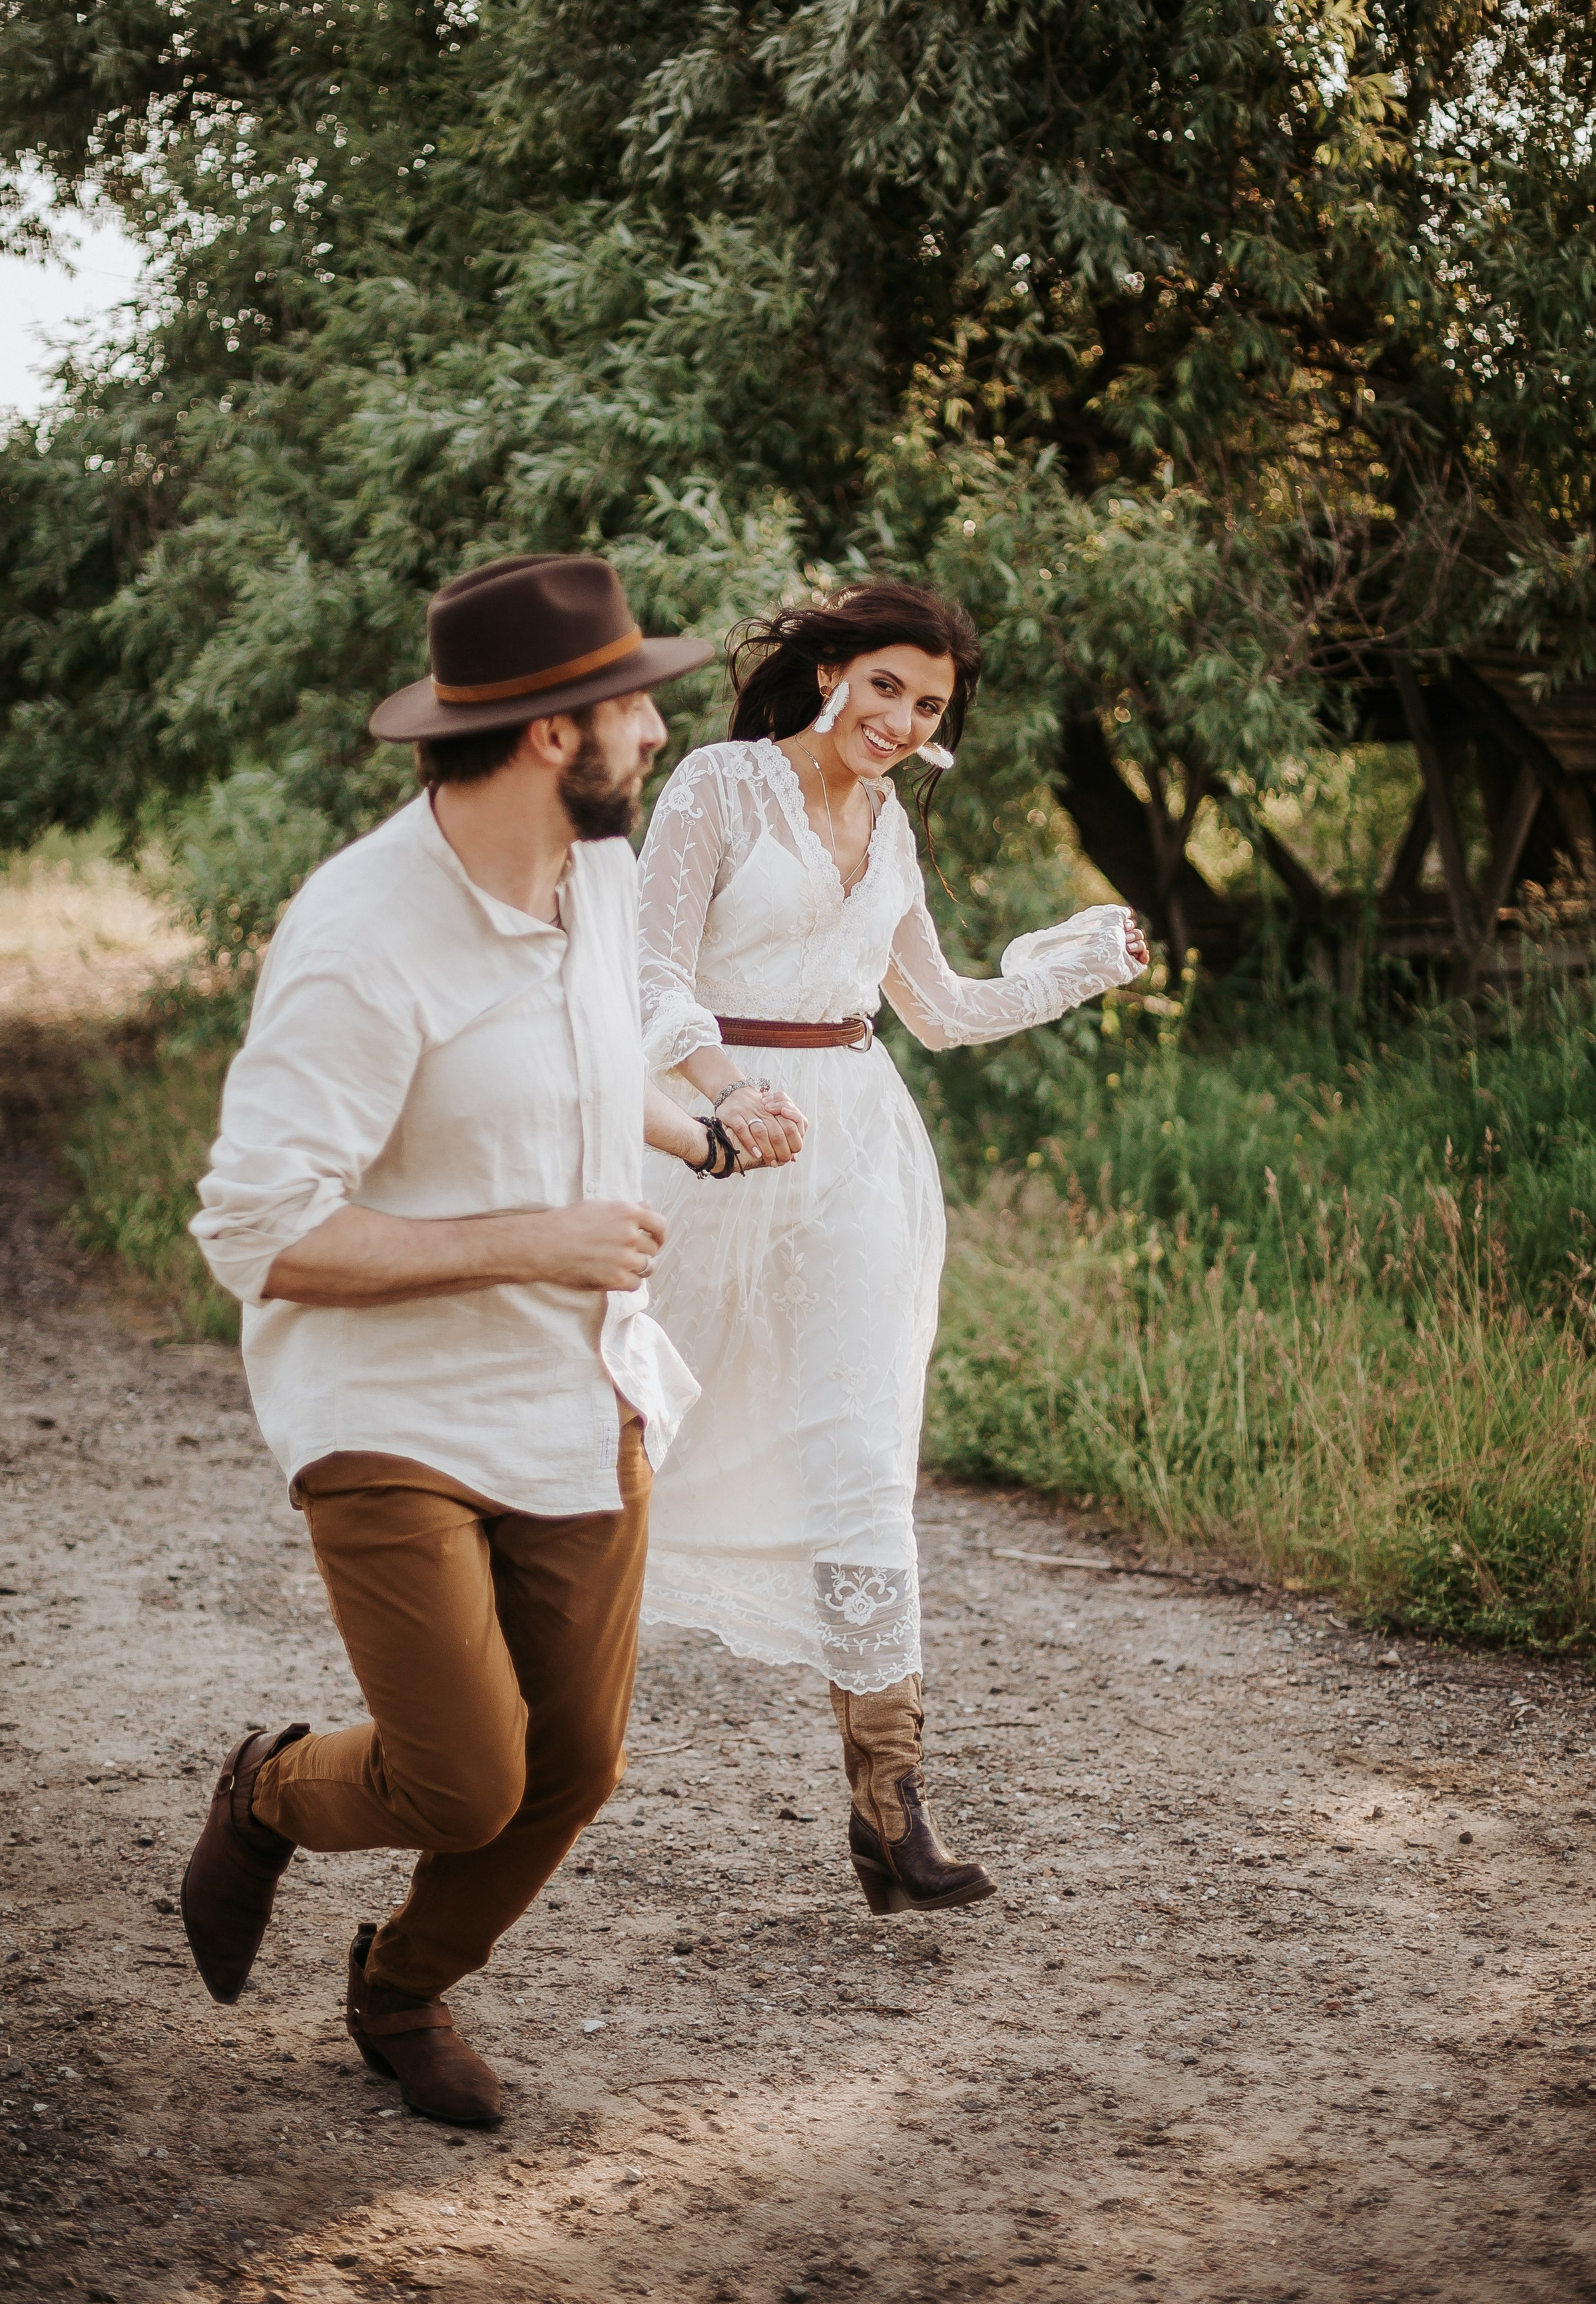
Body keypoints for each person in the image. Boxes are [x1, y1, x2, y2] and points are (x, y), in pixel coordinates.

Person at [180, 553, 757, 2128]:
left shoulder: (595, 870)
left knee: (572, 1768)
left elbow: (579, 1070)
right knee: (462, 1776)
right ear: (551, 733)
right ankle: (268, 1787)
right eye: (632, 707)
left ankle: (399, 1990)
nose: (652, 734)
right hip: (391, 1408)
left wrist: (696, 1130)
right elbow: (257, 1234)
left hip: (577, 1391)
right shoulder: (361, 940)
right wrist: (531, 1241)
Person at [635, 580, 1147, 1916]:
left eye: (927, 708)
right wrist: (718, 1092)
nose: (902, 723)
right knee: (623, 1431)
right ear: (830, 673)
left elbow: (941, 1009)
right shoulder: (716, 786)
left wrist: (1081, 961)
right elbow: (646, 973)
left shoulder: (892, 823)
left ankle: (889, 1799)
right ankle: (493, 1720)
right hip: (708, 1141)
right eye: (884, 690)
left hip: (856, 1153)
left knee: (864, 1459)